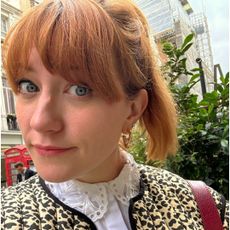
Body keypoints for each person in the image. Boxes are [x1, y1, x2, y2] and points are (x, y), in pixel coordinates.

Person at [1, 0, 228, 229]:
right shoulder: (9, 217)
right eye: (29, 86)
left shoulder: (203, 208)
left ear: (133, 109)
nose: (41, 121)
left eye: (80, 90)